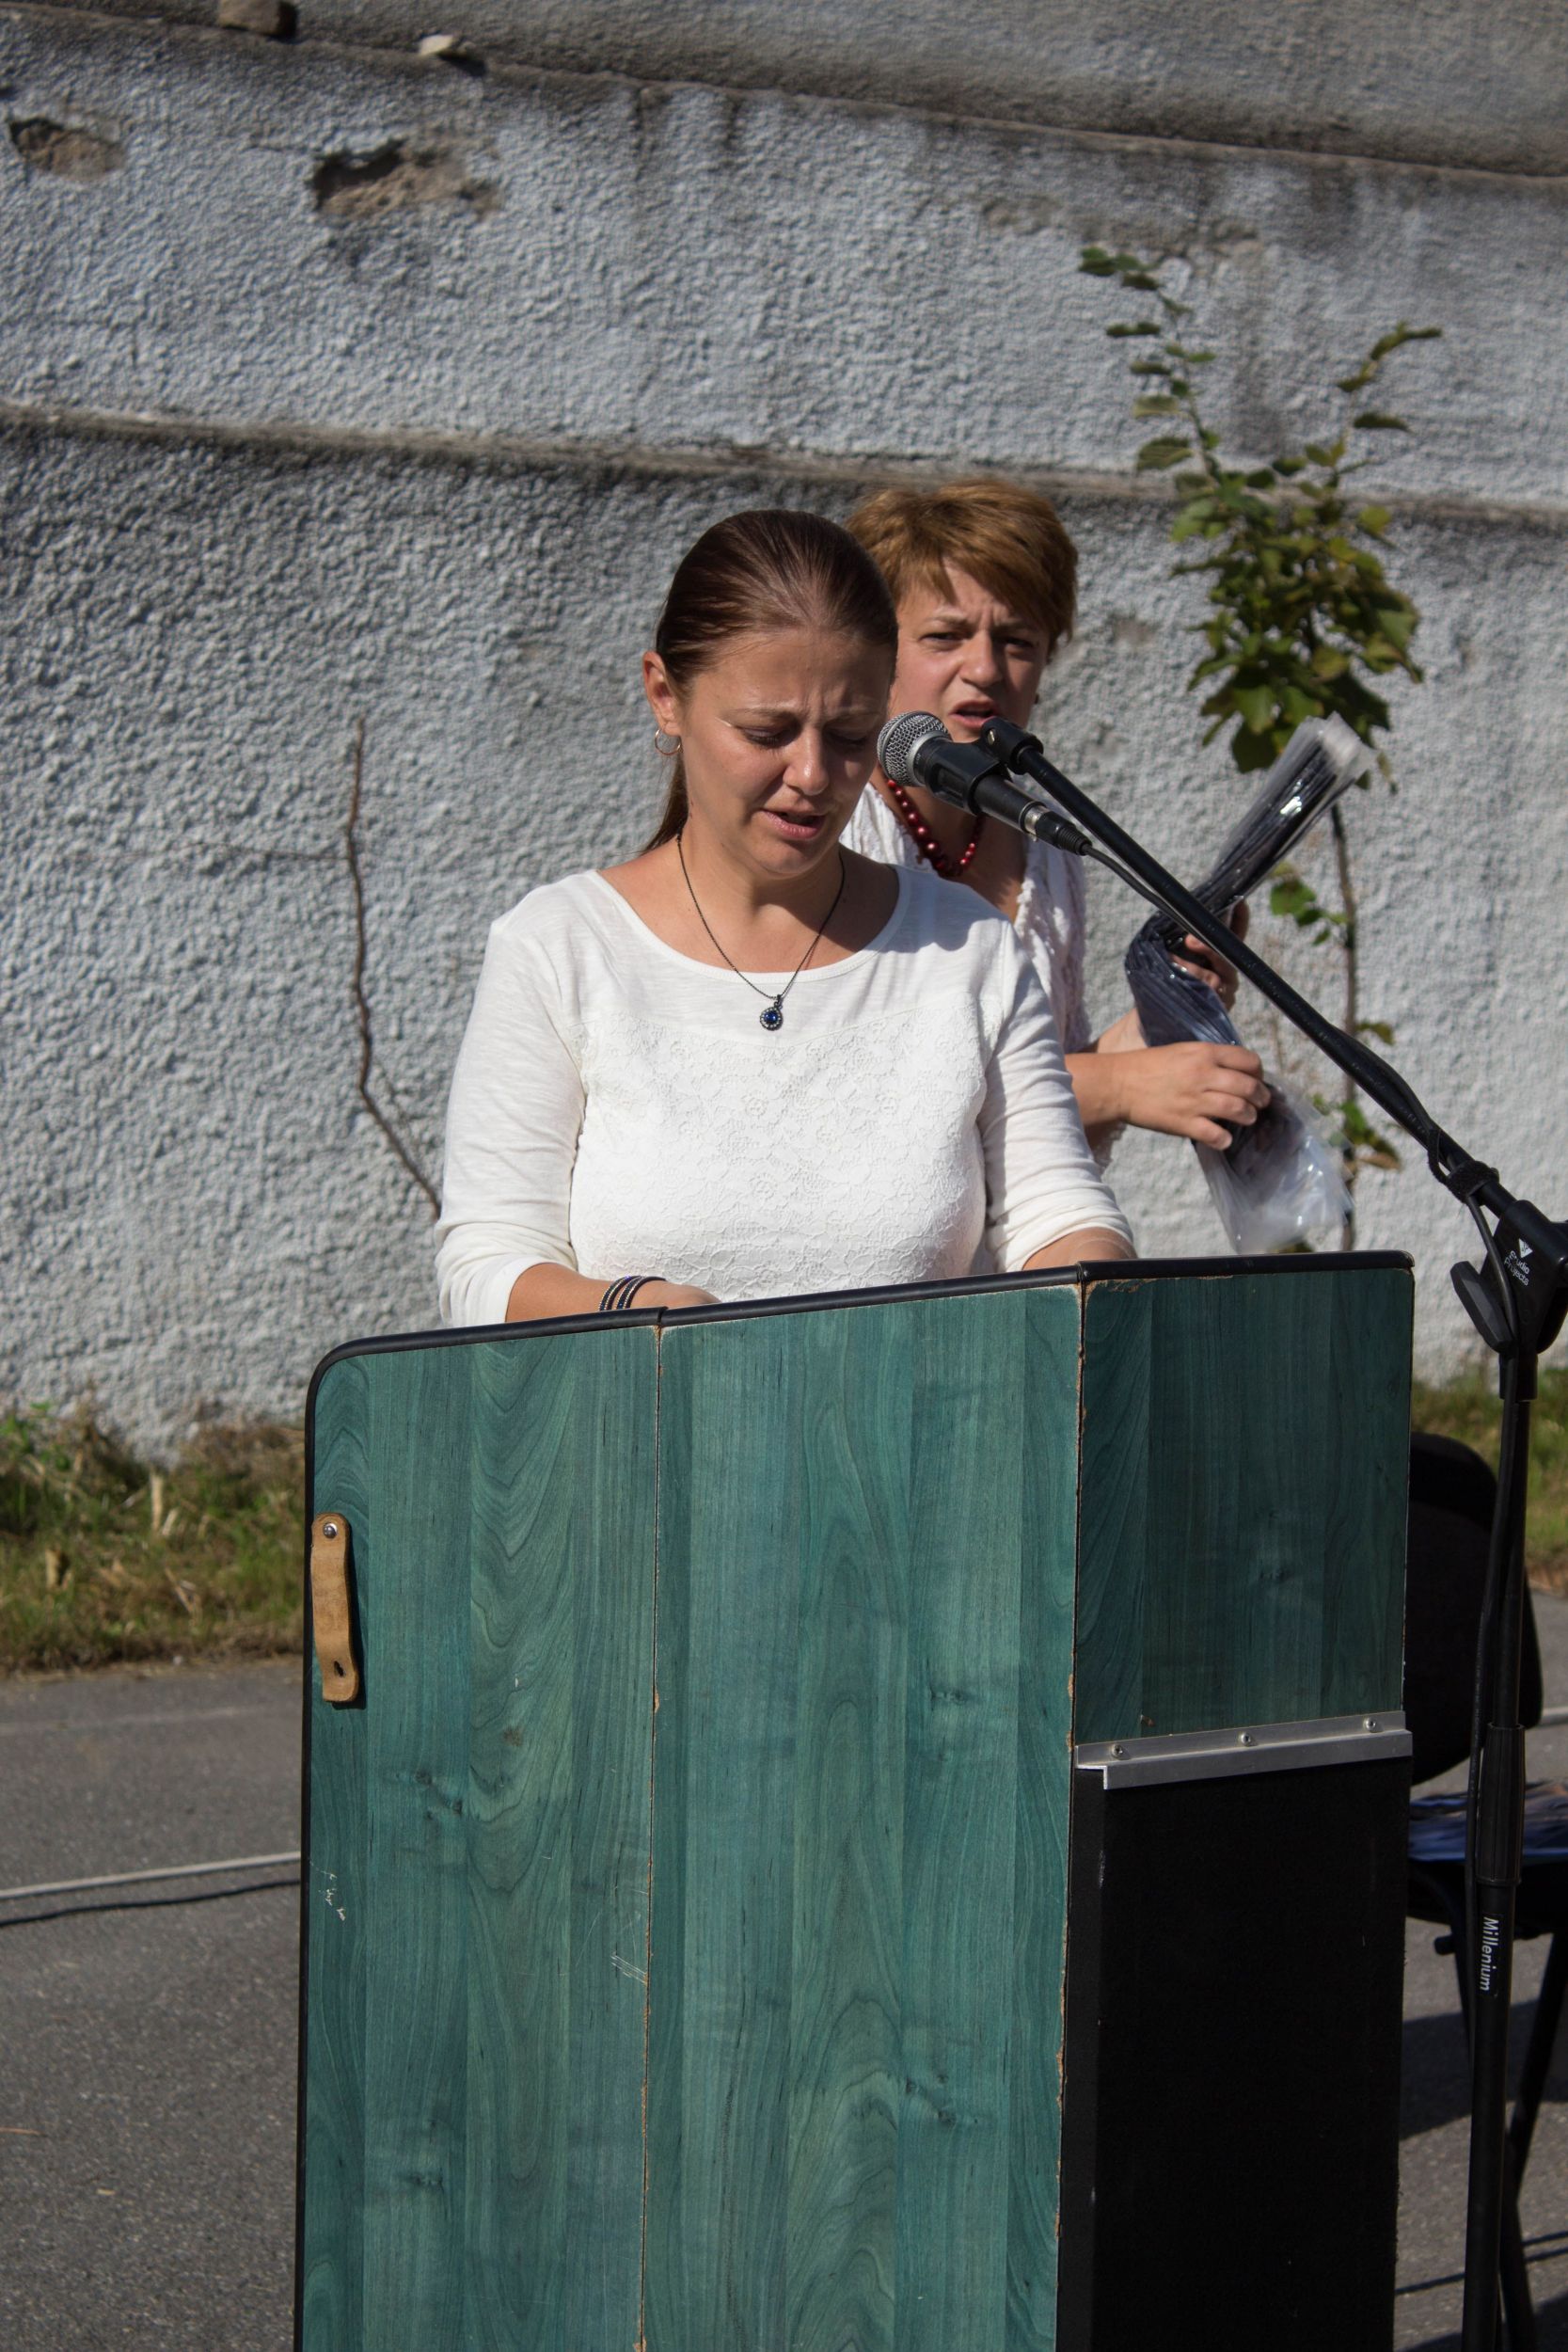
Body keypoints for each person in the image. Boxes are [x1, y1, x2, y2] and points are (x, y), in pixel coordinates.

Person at [436, 508, 1132, 1327]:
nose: (811, 774)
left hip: (921, 1408)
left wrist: (1096, 1288)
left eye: (850, 735)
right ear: (665, 696)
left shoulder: (968, 946)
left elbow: (1054, 1213)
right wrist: (640, 1311)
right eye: (766, 731)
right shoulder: (560, 947)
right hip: (652, 1405)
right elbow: (485, 1264)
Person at [841, 478, 1269, 1160]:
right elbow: (865, 1100)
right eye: (945, 636)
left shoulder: (1048, 845)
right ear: (873, 652)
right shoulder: (830, 826)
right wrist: (1121, 1086)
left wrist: (1161, 1016)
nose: (985, 668)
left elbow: (1051, 1099)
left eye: (1017, 641)